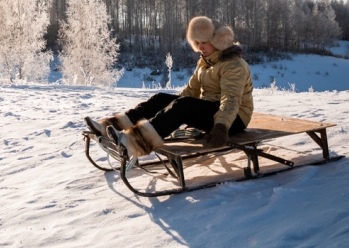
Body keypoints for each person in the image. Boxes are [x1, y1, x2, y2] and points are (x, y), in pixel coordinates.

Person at [85, 16, 254, 158]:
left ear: (218, 42)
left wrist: (221, 127)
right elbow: (190, 91)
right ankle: (112, 127)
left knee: (183, 106)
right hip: (213, 112)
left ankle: (133, 143)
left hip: (233, 118)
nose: (200, 47)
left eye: (205, 42)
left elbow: (231, 99)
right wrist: (170, 109)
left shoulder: (234, 64)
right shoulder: (205, 62)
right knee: (161, 98)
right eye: (197, 42)